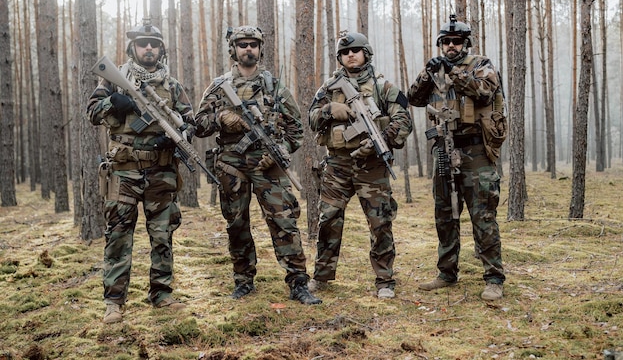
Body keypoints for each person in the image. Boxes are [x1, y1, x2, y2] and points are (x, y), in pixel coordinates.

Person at [194, 25, 321, 305]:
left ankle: (298, 282)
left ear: (260, 49)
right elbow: (198, 126)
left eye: (253, 44)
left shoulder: (274, 86)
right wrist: (220, 118)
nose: (248, 49)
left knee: (284, 222)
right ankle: (243, 281)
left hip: (268, 165)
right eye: (242, 45)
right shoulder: (218, 86)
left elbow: (296, 129)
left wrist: (280, 153)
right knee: (236, 224)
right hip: (231, 166)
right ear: (234, 50)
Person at [87, 19, 195, 323]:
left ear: (161, 49)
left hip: (160, 172)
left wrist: (175, 135)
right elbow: (92, 113)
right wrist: (113, 103)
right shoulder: (114, 78)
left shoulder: (171, 85)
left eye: (154, 44)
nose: (149, 48)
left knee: (162, 235)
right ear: (132, 47)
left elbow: (190, 121)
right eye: (143, 43)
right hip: (122, 172)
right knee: (118, 236)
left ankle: (162, 295)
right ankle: (114, 302)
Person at [407, 14, 507, 301]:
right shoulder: (435, 68)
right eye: (446, 42)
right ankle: (447, 272)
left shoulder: (481, 65)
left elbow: (485, 93)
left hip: (475, 151)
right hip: (444, 149)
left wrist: (455, 73)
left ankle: (493, 277)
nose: (451, 46)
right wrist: (428, 73)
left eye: (457, 42)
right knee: (445, 214)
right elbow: (414, 98)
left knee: (483, 214)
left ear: (466, 43)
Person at [308, 31, 413, 299]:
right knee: (328, 219)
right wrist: (330, 110)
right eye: (345, 52)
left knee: (380, 222)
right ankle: (321, 276)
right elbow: (311, 118)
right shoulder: (329, 87)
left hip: (372, 166)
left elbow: (403, 120)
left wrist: (382, 140)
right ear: (340, 58)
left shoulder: (383, 87)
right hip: (337, 165)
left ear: (366, 53)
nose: (350, 55)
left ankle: (385, 280)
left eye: (355, 50)